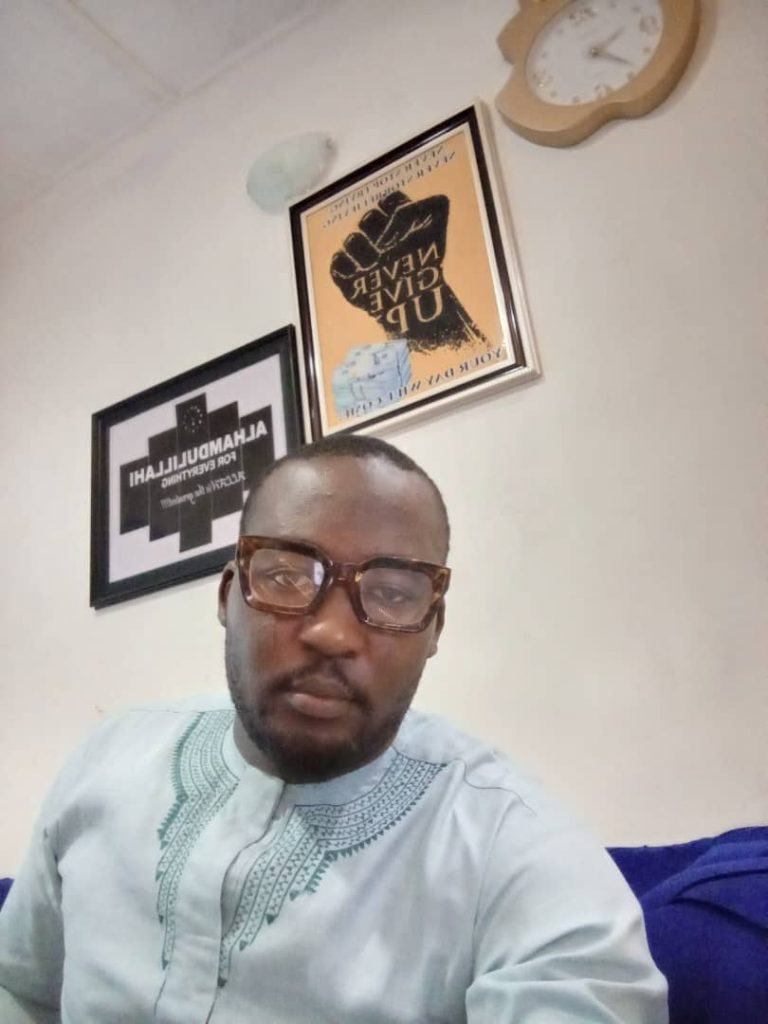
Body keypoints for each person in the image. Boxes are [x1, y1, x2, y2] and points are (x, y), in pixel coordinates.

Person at [0, 434, 668, 1023]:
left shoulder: (512, 846)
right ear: (229, 595)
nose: (332, 633)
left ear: (433, 630)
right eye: (287, 576)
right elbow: (20, 991)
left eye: (393, 593)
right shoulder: (106, 760)